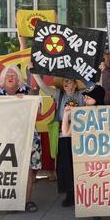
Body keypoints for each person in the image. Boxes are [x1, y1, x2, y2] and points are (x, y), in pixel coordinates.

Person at [61, 84, 110, 220]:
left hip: (104, 158)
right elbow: (66, 133)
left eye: (88, 97)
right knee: (91, 184)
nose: (85, 99)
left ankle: (102, 210)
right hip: (87, 158)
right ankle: (94, 212)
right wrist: (66, 115)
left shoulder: (109, 113)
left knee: (102, 183)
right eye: (85, 96)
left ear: (96, 98)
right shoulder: (81, 115)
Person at [0, 65, 41, 213]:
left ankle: (26, 201)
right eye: (8, 74)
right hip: (7, 137)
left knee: (27, 170)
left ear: (19, 78)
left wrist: (31, 94)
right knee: (9, 170)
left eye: (14, 74)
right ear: (3, 78)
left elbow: (38, 111)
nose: (11, 77)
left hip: (27, 135)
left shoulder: (27, 90)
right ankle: (12, 201)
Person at [34, 75, 85, 207]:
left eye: (68, 81)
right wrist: (34, 73)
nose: (66, 83)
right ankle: (69, 194)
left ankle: (81, 192)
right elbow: (44, 88)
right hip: (63, 134)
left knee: (79, 164)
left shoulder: (82, 95)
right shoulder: (59, 94)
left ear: (75, 83)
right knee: (65, 165)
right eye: (64, 81)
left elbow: (96, 87)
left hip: (79, 134)